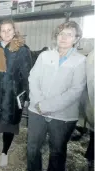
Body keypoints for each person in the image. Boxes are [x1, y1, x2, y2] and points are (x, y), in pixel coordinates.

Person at [27, 21, 86, 171]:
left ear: (76, 38)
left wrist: (47, 106)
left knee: (57, 152)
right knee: (32, 149)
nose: (64, 37)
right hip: (36, 111)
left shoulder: (80, 61)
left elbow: (75, 90)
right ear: (56, 36)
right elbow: (33, 78)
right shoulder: (44, 56)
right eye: (61, 34)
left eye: (69, 34)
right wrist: (39, 103)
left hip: (63, 117)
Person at [0, 19, 32, 167]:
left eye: (9, 30)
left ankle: (4, 153)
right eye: (3, 30)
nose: (6, 33)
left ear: (15, 31)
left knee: (9, 125)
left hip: (13, 93)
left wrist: (27, 96)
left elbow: (27, 75)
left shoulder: (22, 50)